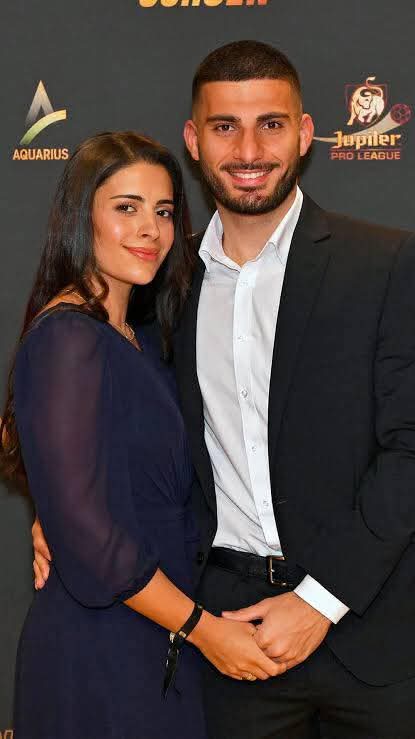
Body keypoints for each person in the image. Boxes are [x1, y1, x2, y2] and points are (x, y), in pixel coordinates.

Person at [32, 42, 415, 739]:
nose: (248, 150)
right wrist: (60, 511)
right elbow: (98, 415)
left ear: (305, 133)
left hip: (370, 631)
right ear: (193, 139)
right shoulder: (162, 286)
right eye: (224, 127)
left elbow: (409, 450)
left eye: (270, 124)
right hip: (222, 640)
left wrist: (320, 600)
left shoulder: (384, 263)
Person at [0, 130, 279, 739]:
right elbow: (89, 535)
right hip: (103, 645)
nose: (149, 230)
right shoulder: (68, 339)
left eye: (164, 211)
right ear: (82, 218)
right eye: (126, 208)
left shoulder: (141, 336)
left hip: (159, 633)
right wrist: (204, 630)